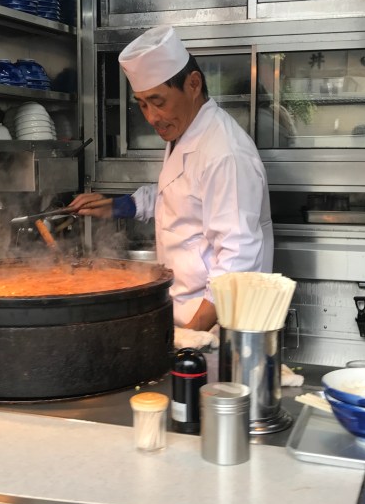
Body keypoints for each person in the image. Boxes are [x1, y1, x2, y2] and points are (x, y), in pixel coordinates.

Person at [69, 26, 272, 331]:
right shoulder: (185, 131)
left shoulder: (225, 153)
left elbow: (237, 259)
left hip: (216, 323)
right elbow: (179, 194)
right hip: (185, 311)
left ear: (193, 84)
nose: (151, 117)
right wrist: (118, 206)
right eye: (141, 104)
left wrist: (192, 335)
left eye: (158, 101)